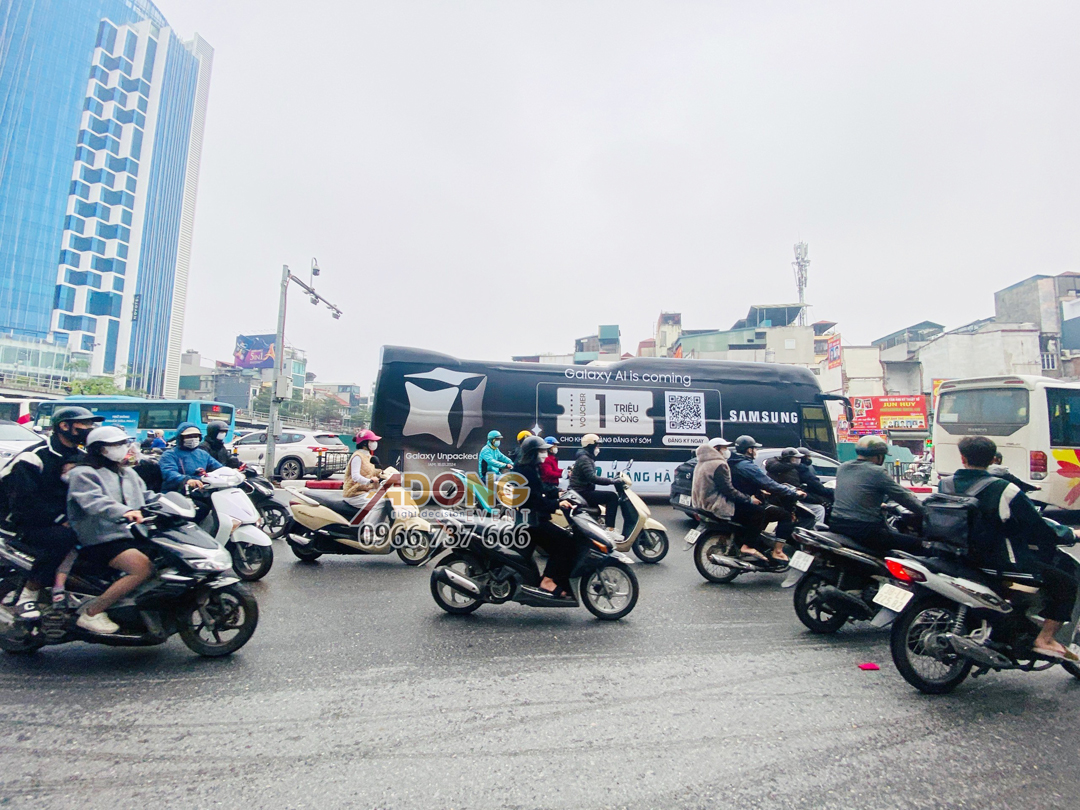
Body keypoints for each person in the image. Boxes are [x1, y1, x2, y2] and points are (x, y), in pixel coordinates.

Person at [946, 435, 1079, 660]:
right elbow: (1037, 528)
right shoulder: (1004, 489)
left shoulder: (946, 484)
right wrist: (1069, 534)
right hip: (1001, 564)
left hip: (957, 557)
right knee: (1066, 584)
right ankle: (1045, 638)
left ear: (962, 458)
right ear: (993, 460)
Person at [0, 406, 103, 618]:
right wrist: (59, 519)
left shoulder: (82, 457)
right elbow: (24, 501)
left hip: (64, 518)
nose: (90, 428)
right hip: (20, 521)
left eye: (91, 424)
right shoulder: (34, 457)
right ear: (64, 426)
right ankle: (29, 593)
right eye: (85, 424)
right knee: (63, 538)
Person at [66, 426, 155, 635]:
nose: (123, 448)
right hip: (100, 537)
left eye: (123, 443)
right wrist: (126, 512)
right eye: (116, 444)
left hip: (131, 533)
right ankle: (92, 612)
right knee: (142, 568)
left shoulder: (127, 472)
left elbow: (147, 496)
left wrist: (176, 504)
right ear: (100, 449)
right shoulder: (83, 473)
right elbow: (95, 502)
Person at [691, 437, 786, 561]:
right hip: (717, 505)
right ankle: (748, 546)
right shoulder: (719, 464)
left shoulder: (702, 462)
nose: (727, 450)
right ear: (716, 449)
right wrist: (749, 499)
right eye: (724, 448)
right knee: (759, 512)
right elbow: (728, 490)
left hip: (703, 504)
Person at [830, 435, 925, 553]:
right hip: (864, 529)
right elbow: (904, 498)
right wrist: (927, 512)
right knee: (919, 545)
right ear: (879, 456)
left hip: (836, 524)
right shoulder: (877, 472)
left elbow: (863, 491)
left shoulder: (843, 468)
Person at [513, 435, 576, 599]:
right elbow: (536, 500)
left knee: (563, 541)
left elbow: (542, 489)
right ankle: (547, 581)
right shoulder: (525, 472)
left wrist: (558, 493)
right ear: (533, 453)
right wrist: (557, 504)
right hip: (531, 522)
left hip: (534, 518)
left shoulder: (531, 468)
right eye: (541, 451)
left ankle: (557, 579)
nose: (545, 454)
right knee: (565, 541)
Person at [728, 435, 805, 562]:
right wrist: (792, 492)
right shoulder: (746, 465)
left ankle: (759, 543)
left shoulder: (735, 462)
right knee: (785, 516)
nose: (756, 451)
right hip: (747, 505)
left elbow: (745, 482)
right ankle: (777, 551)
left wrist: (760, 489)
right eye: (755, 449)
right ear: (749, 450)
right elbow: (769, 483)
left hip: (738, 503)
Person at [568, 434, 620, 531]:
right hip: (581, 492)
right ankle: (610, 528)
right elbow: (592, 478)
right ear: (591, 446)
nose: (598, 449)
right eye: (597, 446)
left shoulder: (586, 457)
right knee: (612, 497)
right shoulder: (584, 459)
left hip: (581, 491)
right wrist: (611, 481)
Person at [767, 447, 827, 527]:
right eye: (795, 458)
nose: (798, 460)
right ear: (788, 459)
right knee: (819, 509)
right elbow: (796, 491)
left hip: (777, 500)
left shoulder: (775, 469)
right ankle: (816, 531)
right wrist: (817, 499)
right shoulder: (791, 471)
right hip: (789, 501)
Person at [343, 429, 384, 508]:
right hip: (354, 494)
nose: (375, 443)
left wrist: (383, 473)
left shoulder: (368, 456)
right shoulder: (357, 456)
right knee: (379, 503)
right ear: (364, 443)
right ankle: (370, 517)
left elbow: (369, 471)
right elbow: (355, 476)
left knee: (385, 499)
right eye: (372, 441)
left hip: (365, 492)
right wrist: (370, 481)